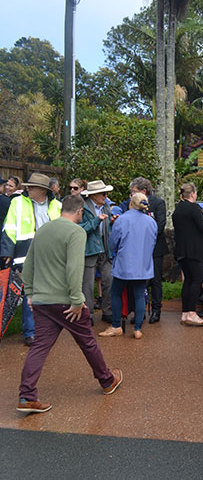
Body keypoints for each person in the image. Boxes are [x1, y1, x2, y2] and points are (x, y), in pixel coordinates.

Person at [16, 194, 122, 414]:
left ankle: (26, 396)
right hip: (66, 301)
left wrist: (30, 293)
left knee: (39, 347)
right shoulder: (76, 232)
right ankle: (107, 380)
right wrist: (77, 300)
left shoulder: (43, 229)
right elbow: (75, 268)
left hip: (42, 301)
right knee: (87, 342)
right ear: (80, 211)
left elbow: (29, 265)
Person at [1, 172, 62, 346]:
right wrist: (7, 253)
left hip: (50, 257)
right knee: (30, 294)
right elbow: (9, 228)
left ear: (42, 190)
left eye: (31, 187)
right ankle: (30, 332)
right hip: (26, 256)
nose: (27, 189)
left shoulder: (57, 205)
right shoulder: (17, 203)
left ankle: (46, 329)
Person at [99, 193, 157, 339]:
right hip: (143, 263)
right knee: (139, 295)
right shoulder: (151, 222)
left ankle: (116, 325)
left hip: (124, 262)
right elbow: (153, 242)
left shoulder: (122, 219)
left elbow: (113, 243)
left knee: (116, 293)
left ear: (131, 203)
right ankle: (137, 328)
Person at [124, 177, 168, 324]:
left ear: (143, 191)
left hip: (155, 248)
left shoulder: (158, 203)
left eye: (134, 191)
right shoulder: (131, 203)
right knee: (136, 280)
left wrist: (143, 234)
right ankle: (139, 311)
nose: (132, 194)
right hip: (136, 248)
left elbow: (160, 225)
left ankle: (156, 310)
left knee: (155, 280)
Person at [172, 182, 203, 326]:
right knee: (197, 279)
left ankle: (185, 313)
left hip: (181, 250)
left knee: (188, 281)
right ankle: (191, 312)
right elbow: (202, 225)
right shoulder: (194, 208)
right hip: (194, 250)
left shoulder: (178, 209)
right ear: (192, 194)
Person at [79, 180, 114, 323]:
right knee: (87, 285)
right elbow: (80, 229)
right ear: (93, 195)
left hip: (105, 249)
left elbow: (107, 228)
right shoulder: (82, 208)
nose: (106, 196)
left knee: (109, 280)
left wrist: (112, 222)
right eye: (103, 194)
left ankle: (107, 311)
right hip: (90, 250)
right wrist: (96, 221)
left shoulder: (106, 207)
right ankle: (88, 315)